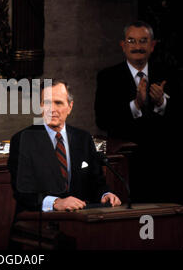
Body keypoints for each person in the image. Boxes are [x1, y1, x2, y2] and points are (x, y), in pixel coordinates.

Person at [94, 21, 183, 204]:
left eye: (143, 41)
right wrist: (135, 105)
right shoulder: (108, 77)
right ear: (123, 45)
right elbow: (102, 120)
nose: (137, 47)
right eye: (132, 41)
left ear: (152, 45)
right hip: (127, 166)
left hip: (163, 165)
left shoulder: (170, 74)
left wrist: (162, 103)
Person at [8, 79, 121, 213]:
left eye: (59, 103)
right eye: (47, 103)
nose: (52, 109)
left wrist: (106, 194)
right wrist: (55, 202)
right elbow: (22, 190)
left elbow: (96, 181)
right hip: (37, 221)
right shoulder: (22, 140)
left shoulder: (83, 138)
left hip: (80, 218)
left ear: (70, 107)